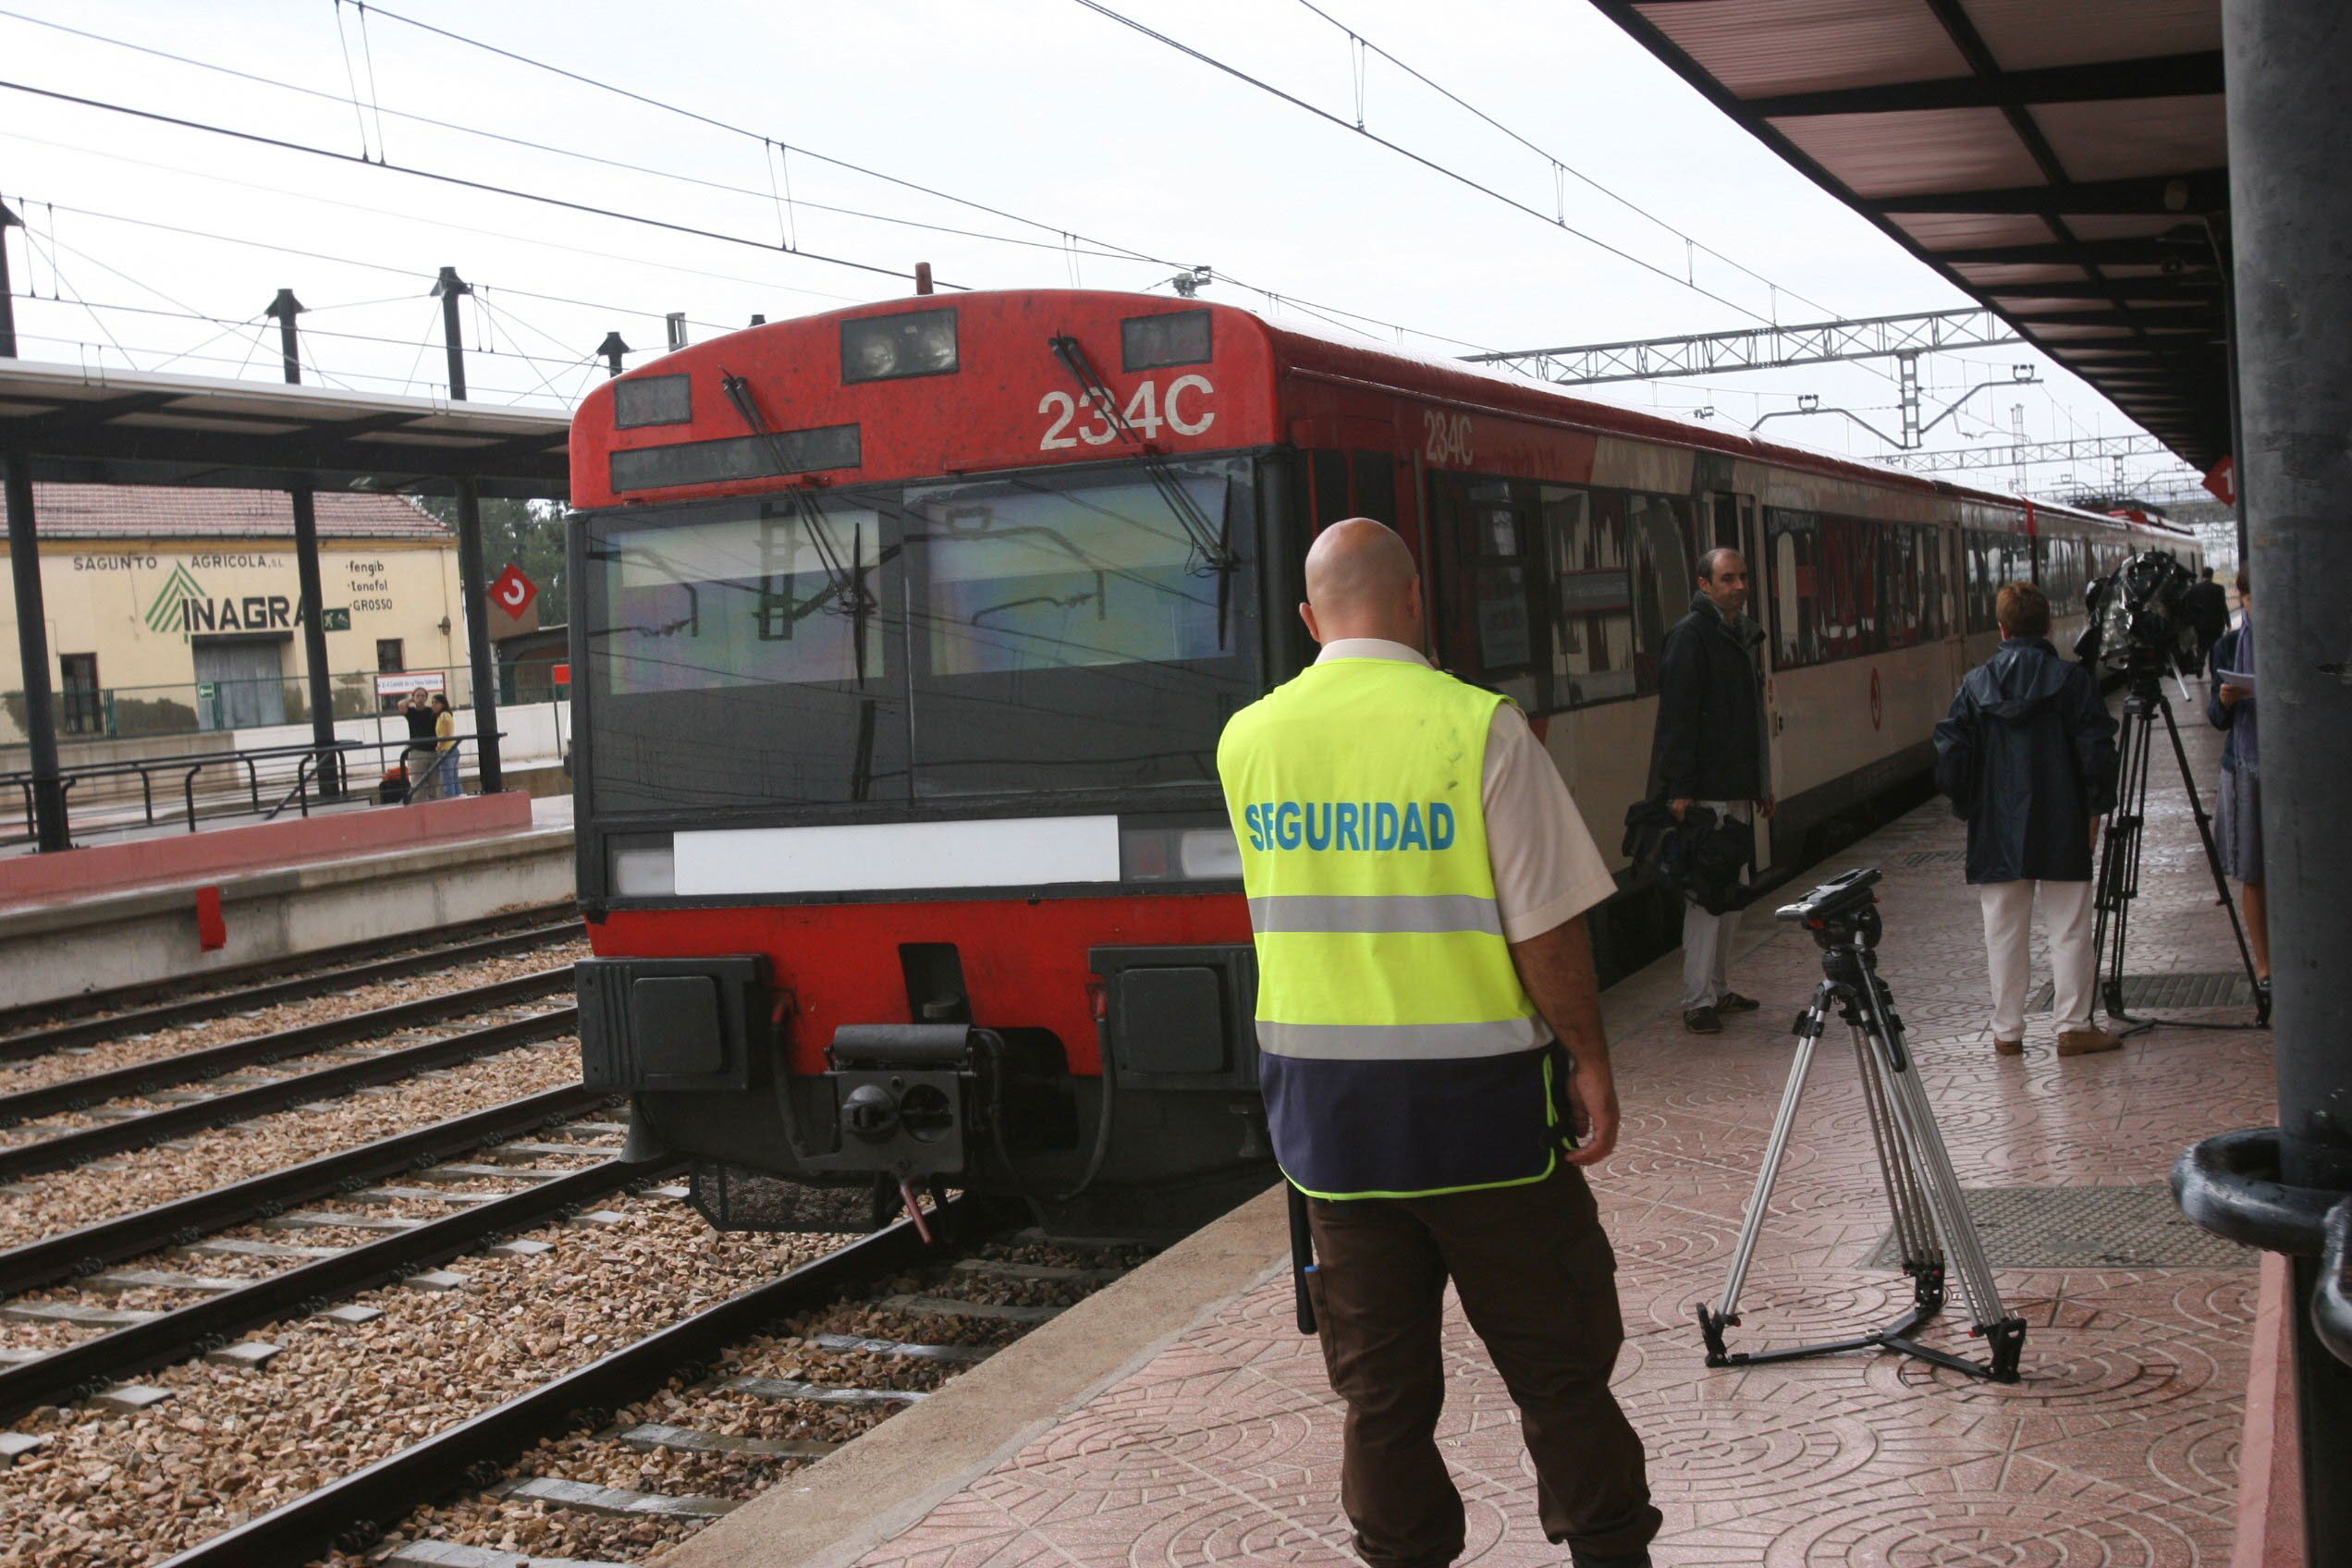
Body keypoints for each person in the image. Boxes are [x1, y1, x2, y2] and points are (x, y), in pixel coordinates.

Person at [1218, 519, 1660, 1568]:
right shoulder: (1478, 728)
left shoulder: (1250, 739)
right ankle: (1608, 1553)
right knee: (1559, 1369)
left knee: (1380, 1395)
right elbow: (1546, 924)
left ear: (1308, 618)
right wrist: (1589, 1057)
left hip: (1330, 1132)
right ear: (1416, 602)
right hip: (1483, 1123)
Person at [1933, 581, 2122, 1058]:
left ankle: (2007, 1031)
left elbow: (1951, 755)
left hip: (1997, 824)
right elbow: (2096, 750)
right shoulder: (2073, 681)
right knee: (2070, 926)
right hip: (2064, 816)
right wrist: (2096, 806)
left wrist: (1970, 805)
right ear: (2048, 626)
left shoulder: (1975, 685)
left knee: (2002, 928)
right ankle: (2074, 1026)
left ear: (2001, 628)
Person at [1649, 547, 1771, 1034]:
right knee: (1705, 897)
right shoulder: (1690, 637)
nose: (1739, 586)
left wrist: (1761, 783)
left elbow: (1751, 721)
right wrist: (1679, 788)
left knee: (1730, 895)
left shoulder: (1735, 635)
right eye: (1727, 579)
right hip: (1705, 792)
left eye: (1742, 577)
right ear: (1704, 584)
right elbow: (1677, 718)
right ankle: (1696, 999)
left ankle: (1718, 989)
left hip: (1735, 786)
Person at [2208, 570, 2268, 998]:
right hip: (2246, 765)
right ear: (2241, 597)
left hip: (2292, 764)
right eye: (2249, 596)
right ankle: (2264, 965)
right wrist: (2225, 700)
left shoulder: (2298, 635)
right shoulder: (2228, 646)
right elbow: (2216, 718)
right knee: (2252, 869)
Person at [2183, 565, 2230, 675]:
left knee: (2202, 646)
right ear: (2212, 576)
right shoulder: (2219, 588)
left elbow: (2189, 607)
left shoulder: (2194, 589)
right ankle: (2213, 670)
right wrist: (2228, 622)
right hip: (2216, 625)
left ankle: (2199, 666)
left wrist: (2191, 622)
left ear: (2202, 575)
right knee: (2214, 648)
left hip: (2201, 625)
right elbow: (2223, 606)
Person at [399, 686, 438, 802]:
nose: (420, 698)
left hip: (433, 752)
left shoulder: (432, 712)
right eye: (418, 696)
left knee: (434, 787)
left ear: (426, 698)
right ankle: (417, 811)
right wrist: (411, 700)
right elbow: (401, 705)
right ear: (413, 697)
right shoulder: (411, 712)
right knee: (417, 786)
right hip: (417, 753)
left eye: (423, 696)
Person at [429, 692, 460, 800]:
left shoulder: (443, 716)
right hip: (451, 749)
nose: (433, 705)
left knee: (448, 780)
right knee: (454, 779)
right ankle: (459, 800)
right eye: (432, 702)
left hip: (446, 749)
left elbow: (446, 733)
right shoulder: (445, 715)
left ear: (443, 704)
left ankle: (451, 801)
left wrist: (439, 746)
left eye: (436, 702)